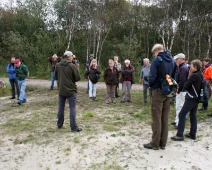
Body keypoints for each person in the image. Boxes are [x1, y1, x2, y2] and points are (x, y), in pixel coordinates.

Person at [143, 44, 177, 150]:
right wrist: (169, 87)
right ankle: (163, 143)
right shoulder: (172, 60)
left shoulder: (157, 60)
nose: (154, 54)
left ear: (157, 51)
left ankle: (155, 144)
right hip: (168, 92)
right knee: (165, 118)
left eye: (154, 52)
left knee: (156, 118)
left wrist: (152, 86)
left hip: (157, 92)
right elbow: (175, 77)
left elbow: (152, 77)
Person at [171, 60, 203, 141]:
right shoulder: (200, 74)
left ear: (196, 67)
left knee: (182, 114)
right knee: (193, 115)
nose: (190, 67)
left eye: (191, 66)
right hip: (196, 98)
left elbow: (186, 86)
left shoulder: (193, 76)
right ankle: (192, 134)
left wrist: (189, 76)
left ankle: (179, 135)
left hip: (191, 98)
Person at [55, 51, 81, 132]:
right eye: (72, 56)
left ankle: (59, 124)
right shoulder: (72, 66)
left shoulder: (58, 65)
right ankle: (73, 127)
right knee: (72, 108)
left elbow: (56, 77)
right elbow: (78, 78)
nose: (73, 58)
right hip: (71, 90)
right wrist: (77, 68)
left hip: (61, 90)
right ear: (69, 57)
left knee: (61, 107)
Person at [171, 53, 189, 129]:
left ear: (181, 59)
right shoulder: (181, 67)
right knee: (177, 106)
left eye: (177, 59)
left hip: (182, 91)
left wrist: (178, 90)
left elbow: (182, 81)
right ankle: (176, 120)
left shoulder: (183, 68)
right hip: (180, 90)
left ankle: (179, 123)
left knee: (180, 107)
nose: (176, 60)